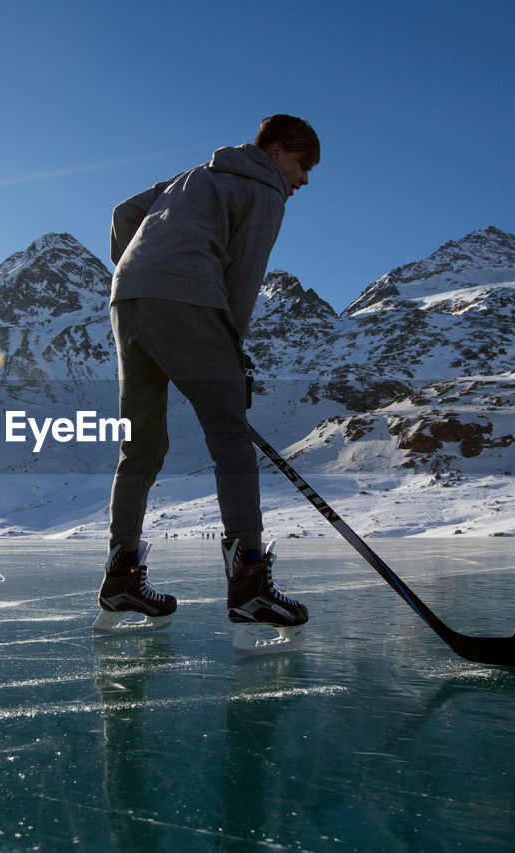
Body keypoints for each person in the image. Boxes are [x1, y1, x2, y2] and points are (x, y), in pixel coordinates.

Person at [93, 115, 320, 653]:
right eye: (302, 165)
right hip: (189, 299)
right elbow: (242, 281)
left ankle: (121, 578)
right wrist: (230, 356)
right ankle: (249, 586)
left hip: (129, 300)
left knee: (142, 444)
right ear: (276, 150)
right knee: (229, 436)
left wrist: (144, 264)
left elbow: (124, 213)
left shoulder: (194, 175)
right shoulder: (264, 188)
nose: (304, 180)